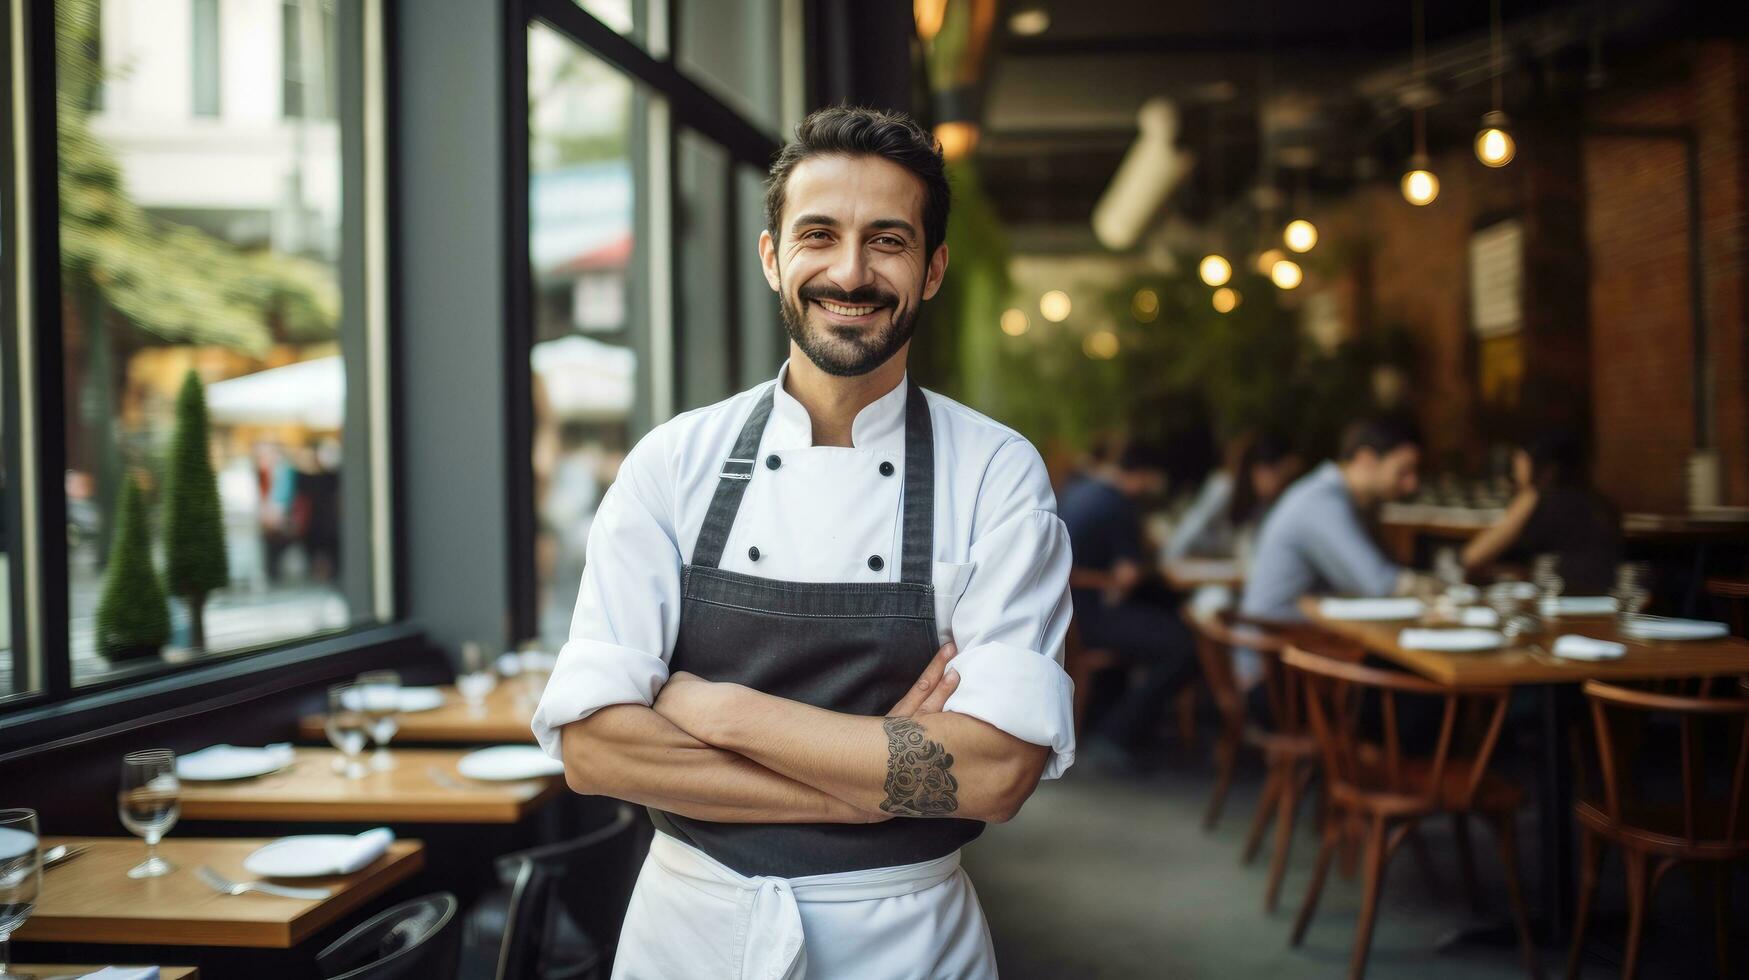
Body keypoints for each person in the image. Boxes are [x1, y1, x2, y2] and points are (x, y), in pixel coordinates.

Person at [532, 106, 1074, 979]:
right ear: (771, 257)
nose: (849, 272)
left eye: (887, 241)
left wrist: (719, 710)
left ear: (932, 269)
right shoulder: (673, 462)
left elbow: (997, 770)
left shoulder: (995, 474)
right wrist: (865, 792)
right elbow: (596, 751)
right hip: (690, 936)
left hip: (903, 942)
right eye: (818, 234)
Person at [1060, 441, 1196, 767]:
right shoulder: (1119, 505)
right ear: (1146, 476)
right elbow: (1127, 576)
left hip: (1066, 613)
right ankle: (1116, 733)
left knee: (1157, 625)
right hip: (1093, 616)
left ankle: (1109, 721)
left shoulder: (1080, 489)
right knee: (1184, 645)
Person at [1239, 416, 1433, 627]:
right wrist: (1437, 587)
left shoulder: (1341, 498)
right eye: (1403, 471)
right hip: (1274, 643)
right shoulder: (1323, 502)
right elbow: (1378, 584)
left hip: (1291, 635)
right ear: (1366, 459)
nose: (1412, 484)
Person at [1461, 430, 1622, 594]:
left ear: (1541, 466)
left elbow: (1473, 556)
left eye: (1520, 459)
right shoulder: (1599, 503)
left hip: (1559, 601)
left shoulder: (1537, 499)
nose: (1514, 469)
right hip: (1602, 601)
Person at [1163, 430, 1302, 566]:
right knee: (1214, 591)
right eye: (1280, 475)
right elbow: (1185, 536)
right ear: (1260, 469)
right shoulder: (1223, 488)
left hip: (1231, 575)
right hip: (1198, 570)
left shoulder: (1266, 504)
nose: (1282, 484)